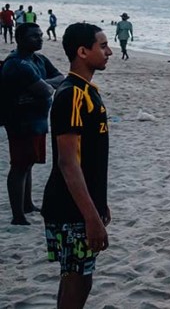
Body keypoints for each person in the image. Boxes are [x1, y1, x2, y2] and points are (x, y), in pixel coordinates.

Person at [42, 23, 113, 309]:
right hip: (70, 208)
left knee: (77, 275)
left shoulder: (88, 91)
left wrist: (100, 204)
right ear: (82, 52)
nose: (108, 51)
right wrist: (91, 217)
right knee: (77, 278)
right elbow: (68, 162)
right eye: (103, 46)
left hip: (82, 206)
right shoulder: (72, 94)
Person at [2, 22, 63, 225]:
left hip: (37, 121)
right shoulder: (17, 64)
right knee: (19, 166)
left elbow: (60, 78)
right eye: (33, 37)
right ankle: (17, 215)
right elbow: (45, 90)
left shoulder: (38, 59)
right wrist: (45, 87)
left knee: (28, 164)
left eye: (40, 35)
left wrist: (45, 85)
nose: (39, 39)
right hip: (20, 122)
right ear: (20, 39)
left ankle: (27, 204)